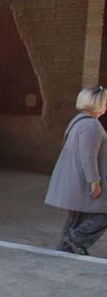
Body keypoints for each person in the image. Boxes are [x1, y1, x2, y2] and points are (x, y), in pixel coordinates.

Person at [46, 86, 107, 255]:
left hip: (75, 179)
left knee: (77, 215)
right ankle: (73, 243)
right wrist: (94, 181)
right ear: (98, 103)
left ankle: (66, 247)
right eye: (105, 101)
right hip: (82, 180)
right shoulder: (91, 125)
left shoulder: (79, 120)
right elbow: (88, 156)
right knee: (103, 214)